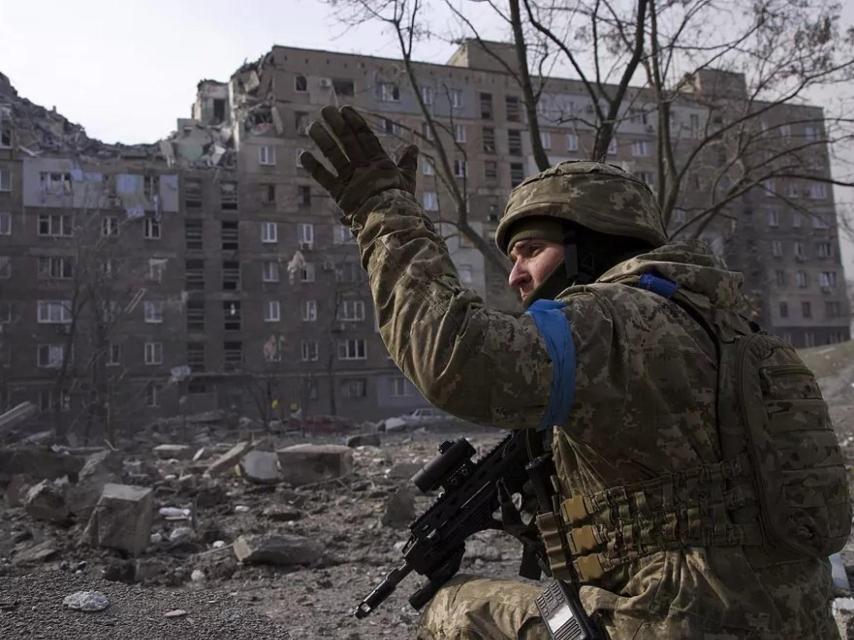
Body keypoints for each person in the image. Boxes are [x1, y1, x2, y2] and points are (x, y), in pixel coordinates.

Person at [300, 105, 847, 639]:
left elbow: (456, 358)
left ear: (592, 247)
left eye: (531, 251)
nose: (515, 275)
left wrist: (383, 213)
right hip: (793, 619)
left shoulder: (611, 318)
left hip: (673, 619)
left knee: (452, 608)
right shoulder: (737, 332)